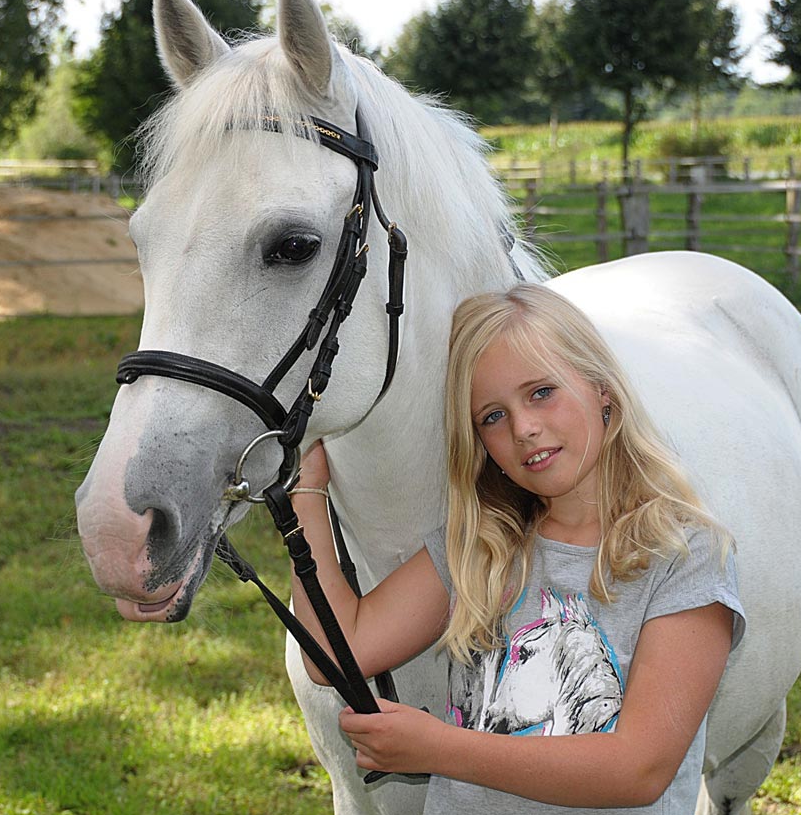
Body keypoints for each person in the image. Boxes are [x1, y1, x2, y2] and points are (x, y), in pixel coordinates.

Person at [289, 283, 745, 813]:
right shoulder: (484, 550)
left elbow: (638, 769)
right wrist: (305, 490)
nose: (524, 429)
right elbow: (338, 651)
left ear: (602, 388)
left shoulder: (685, 556)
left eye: (541, 392)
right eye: (493, 417)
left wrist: (438, 749)